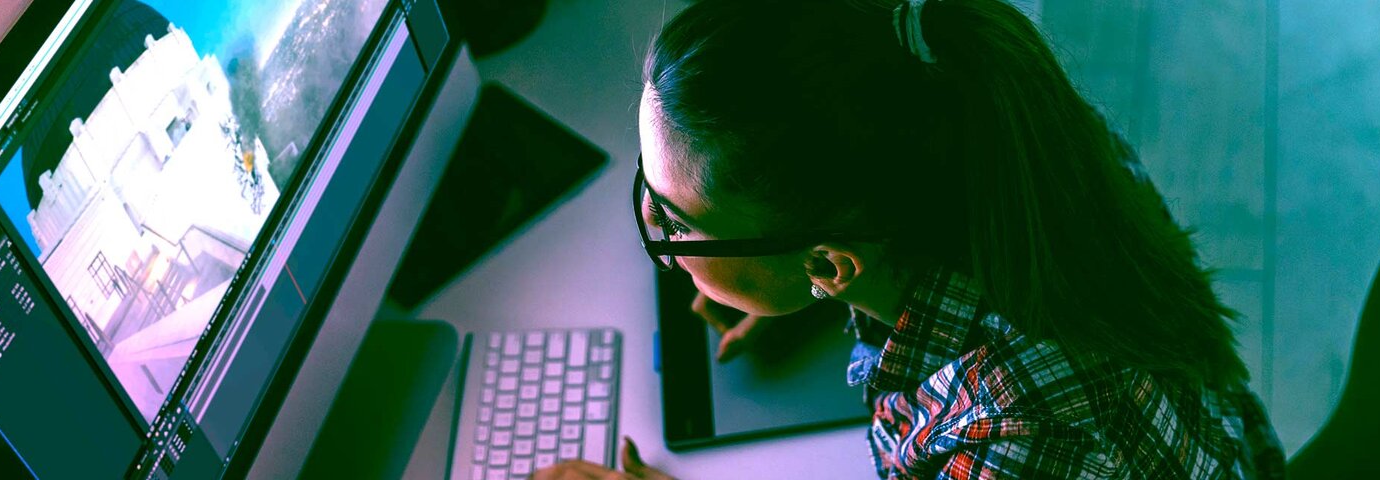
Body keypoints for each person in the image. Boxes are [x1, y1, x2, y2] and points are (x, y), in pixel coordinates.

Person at [533, 0, 1286, 478]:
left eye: (675, 221)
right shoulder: (1020, 148)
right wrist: (803, 289)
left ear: (830, 258)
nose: (657, 236)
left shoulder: (1017, 437)